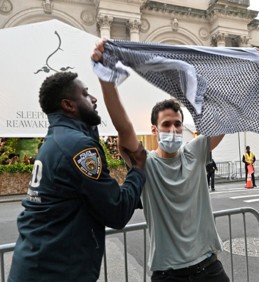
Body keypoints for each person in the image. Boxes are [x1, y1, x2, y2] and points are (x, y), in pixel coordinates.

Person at [92, 40, 230, 282]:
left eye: (177, 124)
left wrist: (243, 63)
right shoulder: (145, 163)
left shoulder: (195, 152)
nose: (173, 129)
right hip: (169, 275)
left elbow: (224, 116)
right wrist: (105, 77)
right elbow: (122, 126)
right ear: (154, 130)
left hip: (209, 268)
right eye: (166, 124)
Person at [8, 72, 147, 282]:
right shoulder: (78, 147)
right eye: (85, 94)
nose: (94, 99)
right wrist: (137, 169)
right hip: (55, 273)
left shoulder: (59, 140)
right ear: (69, 105)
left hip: (40, 267)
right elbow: (116, 211)